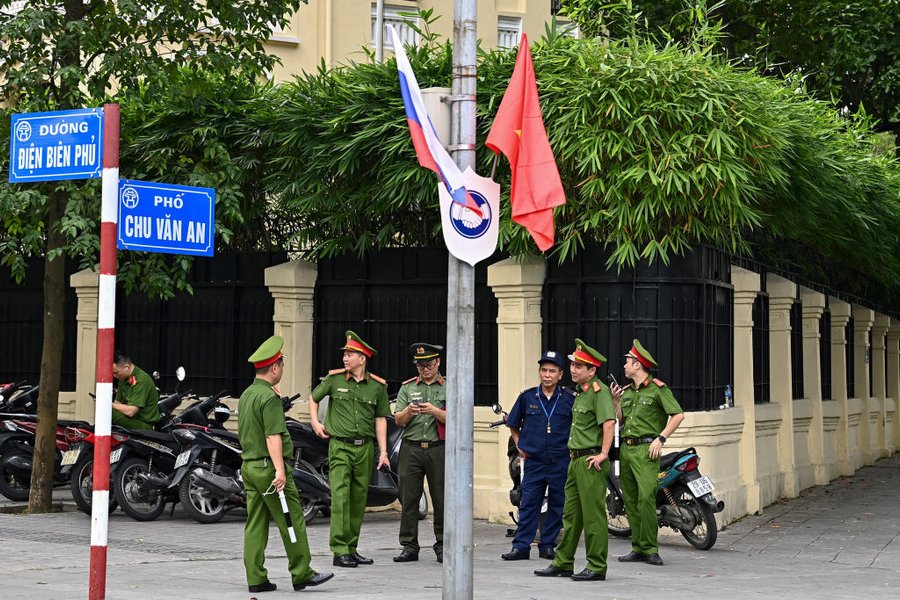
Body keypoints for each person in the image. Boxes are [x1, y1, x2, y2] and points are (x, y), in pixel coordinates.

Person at [237, 335, 332, 593]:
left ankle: (256, 578)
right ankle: (302, 572)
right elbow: (272, 436)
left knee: (255, 523)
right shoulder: (267, 398)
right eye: (281, 364)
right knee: (291, 518)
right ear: (275, 367)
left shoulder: (248, 393)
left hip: (250, 466)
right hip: (269, 468)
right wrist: (280, 469)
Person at [309, 330, 391, 568]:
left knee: (358, 499)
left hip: (365, 448)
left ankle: (352, 548)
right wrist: (315, 422)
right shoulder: (334, 380)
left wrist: (383, 452)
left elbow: (380, 419)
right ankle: (339, 549)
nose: (345, 358)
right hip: (340, 446)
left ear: (363, 358)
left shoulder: (377, 386)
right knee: (341, 497)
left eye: (350, 354)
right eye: (345, 353)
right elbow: (313, 398)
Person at [534, 338, 615, 582]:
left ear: (592, 370)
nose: (573, 369)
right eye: (573, 364)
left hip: (591, 460)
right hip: (575, 460)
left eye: (580, 366)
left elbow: (609, 423)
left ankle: (597, 566)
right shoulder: (580, 392)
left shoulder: (598, 392)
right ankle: (564, 561)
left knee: (593, 517)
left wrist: (603, 454)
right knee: (570, 515)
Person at [610, 339, 685, 567]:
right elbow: (620, 419)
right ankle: (638, 548)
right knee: (630, 500)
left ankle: (651, 548)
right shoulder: (628, 392)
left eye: (627, 362)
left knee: (645, 499)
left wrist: (661, 438)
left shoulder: (658, 389)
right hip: (627, 448)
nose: (624, 366)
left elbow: (678, 415)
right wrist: (615, 401)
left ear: (637, 364)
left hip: (645, 450)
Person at [501, 350, 575, 561]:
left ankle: (548, 544)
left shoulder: (569, 399)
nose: (547, 375)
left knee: (557, 503)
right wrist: (518, 443)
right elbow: (513, 424)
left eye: (552, 371)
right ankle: (521, 546)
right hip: (534, 461)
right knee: (528, 503)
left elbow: (577, 426)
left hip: (560, 460)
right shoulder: (527, 397)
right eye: (544, 370)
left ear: (560, 374)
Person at [392, 343, 447, 564]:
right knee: (409, 498)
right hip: (411, 448)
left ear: (438, 363)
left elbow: (457, 418)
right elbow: (398, 420)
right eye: (420, 365)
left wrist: (435, 411)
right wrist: (408, 411)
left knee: (442, 499)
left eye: (429, 364)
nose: (424, 369)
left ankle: (443, 544)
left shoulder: (448, 387)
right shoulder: (407, 388)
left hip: (438, 449)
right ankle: (409, 545)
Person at [111, 351, 160, 430]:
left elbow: (131, 411)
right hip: (131, 419)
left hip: (144, 424)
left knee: (108, 412)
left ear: (126, 367)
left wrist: (108, 404)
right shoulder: (122, 379)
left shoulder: (142, 380)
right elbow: (117, 403)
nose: (114, 376)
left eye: (116, 373)